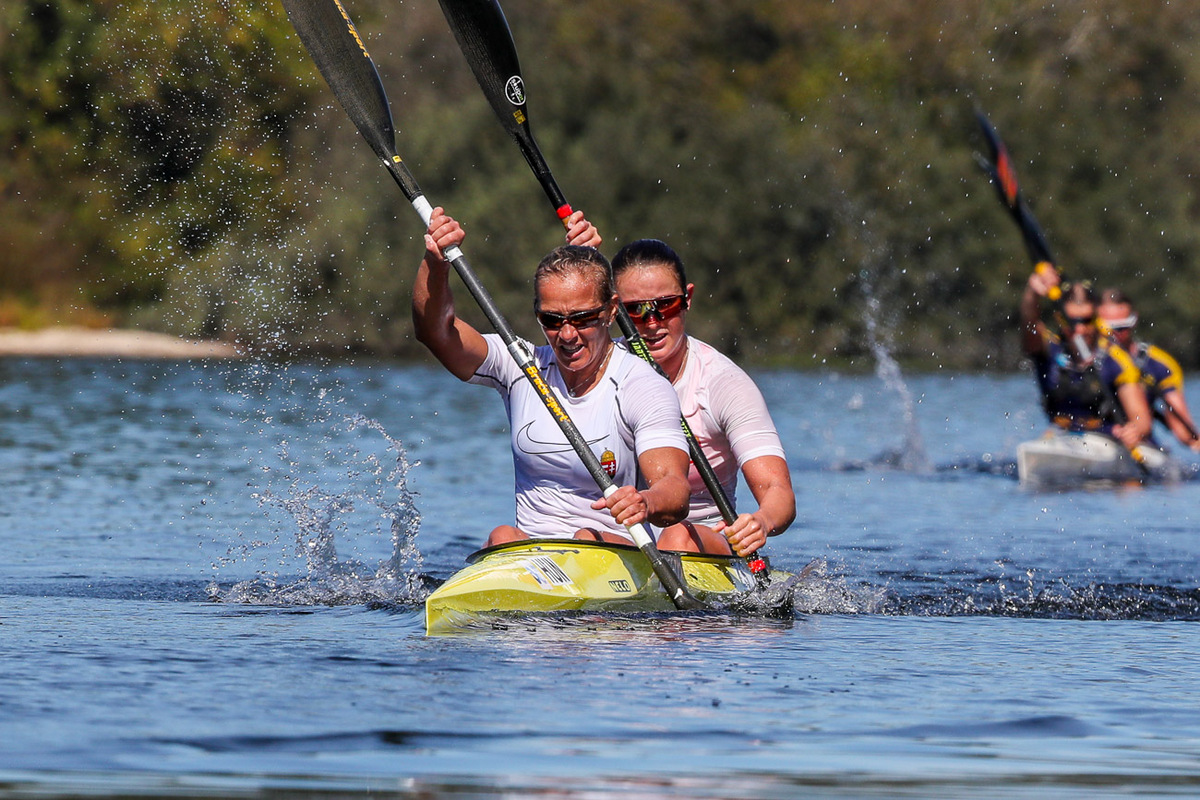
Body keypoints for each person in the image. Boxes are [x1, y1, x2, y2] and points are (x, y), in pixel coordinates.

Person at [412, 209, 691, 547]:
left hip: (614, 549)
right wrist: (436, 263)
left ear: (611, 310)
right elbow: (435, 333)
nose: (568, 335)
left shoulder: (641, 385)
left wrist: (646, 502)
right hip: (533, 550)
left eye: (583, 317)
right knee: (501, 537)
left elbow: (673, 488)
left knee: (585, 536)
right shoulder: (521, 366)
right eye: (553, 320)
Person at [611, 238, 795, 559]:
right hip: (620, 538)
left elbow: (777, 492)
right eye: (635, 310)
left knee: (676, 535)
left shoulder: (723, 384)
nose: (652, 323)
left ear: (687, 299)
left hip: (702, 541)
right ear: (614, 311)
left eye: (665, 305)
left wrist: (761, 523)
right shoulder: (600, 370)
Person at [1019, 267, 1151, 449]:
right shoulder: (1048, 350)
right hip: (1059, 437)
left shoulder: (1115, 360)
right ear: (1060, 319)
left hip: (1106, 442)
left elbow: (1140, 417)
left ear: (1096, 317)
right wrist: (1032, 294)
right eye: (1072, 321)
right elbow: (1029, 322)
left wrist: (1135, 430)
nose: (1080, 329)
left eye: (1086, 320)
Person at [1098, 288, 1200, 451]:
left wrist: (1193, 440)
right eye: (1109, 328)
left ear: (1134, 320)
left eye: (1123, 326)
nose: (1116, 334)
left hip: (1138, 444)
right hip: (1094, 435)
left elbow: (1184, 432)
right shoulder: (1085, 359)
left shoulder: (1159, 365)